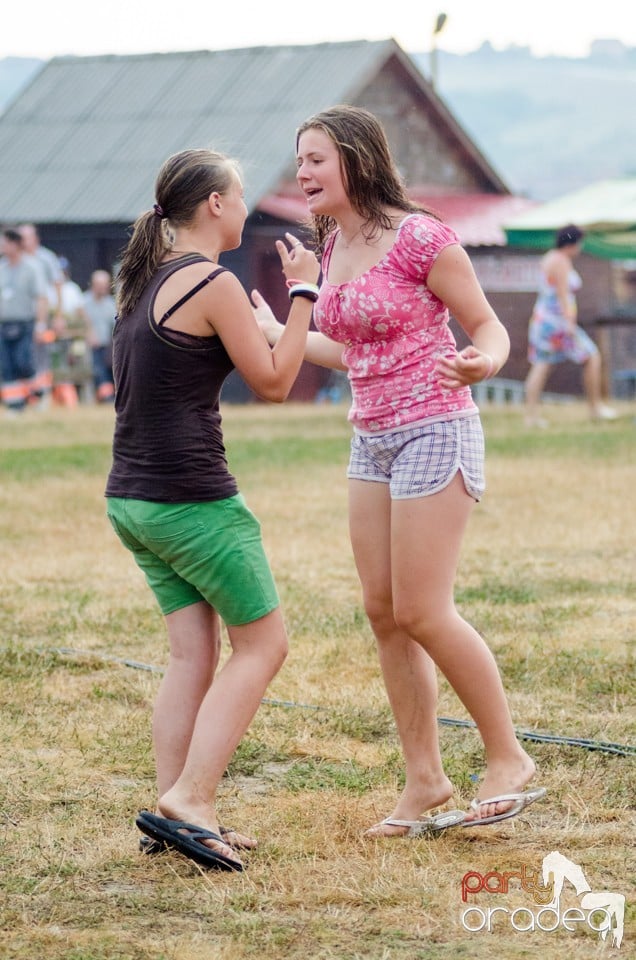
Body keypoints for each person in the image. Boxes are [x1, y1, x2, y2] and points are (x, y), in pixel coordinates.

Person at [257, 104, 545, 837]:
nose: (304, 172)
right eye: (300, 159)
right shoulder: (332, 245)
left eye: (316, 159)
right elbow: (349, 352)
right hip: (371, 438)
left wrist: (485, 360)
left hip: (435, 426)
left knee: (423, 609)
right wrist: (274, 326)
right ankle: (425, 779)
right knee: (383, 613)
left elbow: (487, 324)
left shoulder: (421, 236)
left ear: (355, 157)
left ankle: (508, 756)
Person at [105, 147, 319, 871]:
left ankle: (178, 810)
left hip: (133, 499)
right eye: (241, 192)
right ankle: (191, 797)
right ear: (215, 206)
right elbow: (274, 383)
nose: (248, 204)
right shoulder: (212, 282)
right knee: (264, 646)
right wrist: (304, 295)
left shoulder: (143, 282)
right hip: (191, 500)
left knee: (192, 654)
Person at [524, 224, 617, 426]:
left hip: (543, 320)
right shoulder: (561, 261)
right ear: (572, 242)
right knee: (591, 356)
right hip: (557, 322)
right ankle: (596, 408)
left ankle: (531, 416)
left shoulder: (550, 257)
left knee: (541, 365)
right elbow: (563, 294)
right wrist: (570, 322)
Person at [0, 227, 49, 414]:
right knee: (7, 364)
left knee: (24, 361)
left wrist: (41, 324)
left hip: (26, 323)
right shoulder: (2, 268)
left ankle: (37, 394)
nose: (2, 246)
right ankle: (15, 405)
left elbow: (41, 298)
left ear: (15, 244)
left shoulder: (31, 267)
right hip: (4, 324)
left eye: (4, 242)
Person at [19, 223, 65, 406]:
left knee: (41, 356)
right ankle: (23, 396)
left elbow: (57, 285)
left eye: (26, 237)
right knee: (22, 356)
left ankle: (43, 396)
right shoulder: (16, 260)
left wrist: (59, 315)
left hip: (43, 316)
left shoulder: (46, 258)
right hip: (21, 317)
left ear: (35, 238)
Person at [83, 269, 116, 402]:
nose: (102, 288)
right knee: (98, 369)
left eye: (105, 285)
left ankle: (109, 396)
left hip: (108, 346)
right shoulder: (83, 302)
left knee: (107, 370)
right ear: (92, 284)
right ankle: (107, 397)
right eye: (99, 285)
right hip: (87, 347)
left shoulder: (111, 304)